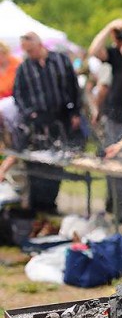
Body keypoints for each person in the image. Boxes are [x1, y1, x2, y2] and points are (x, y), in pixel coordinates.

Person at [13, 32, 83, 213]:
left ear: (40, 45)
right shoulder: (24, 68)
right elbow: (19, 95)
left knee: (56, 164)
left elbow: (74, 87)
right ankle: (37, 206)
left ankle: (51, 204)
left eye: (31, 50)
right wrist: (30, 114)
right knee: (37, 164)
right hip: (37, 122)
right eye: (25, 51)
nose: (29, 53)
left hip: (60, 118)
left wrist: (75, 112)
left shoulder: (61, 60)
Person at [88, 19, 122, 215]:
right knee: (114, 161)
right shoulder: (113, 54)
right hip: (115, 115)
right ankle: (117, 207)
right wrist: (109, 27)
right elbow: (94, 50)